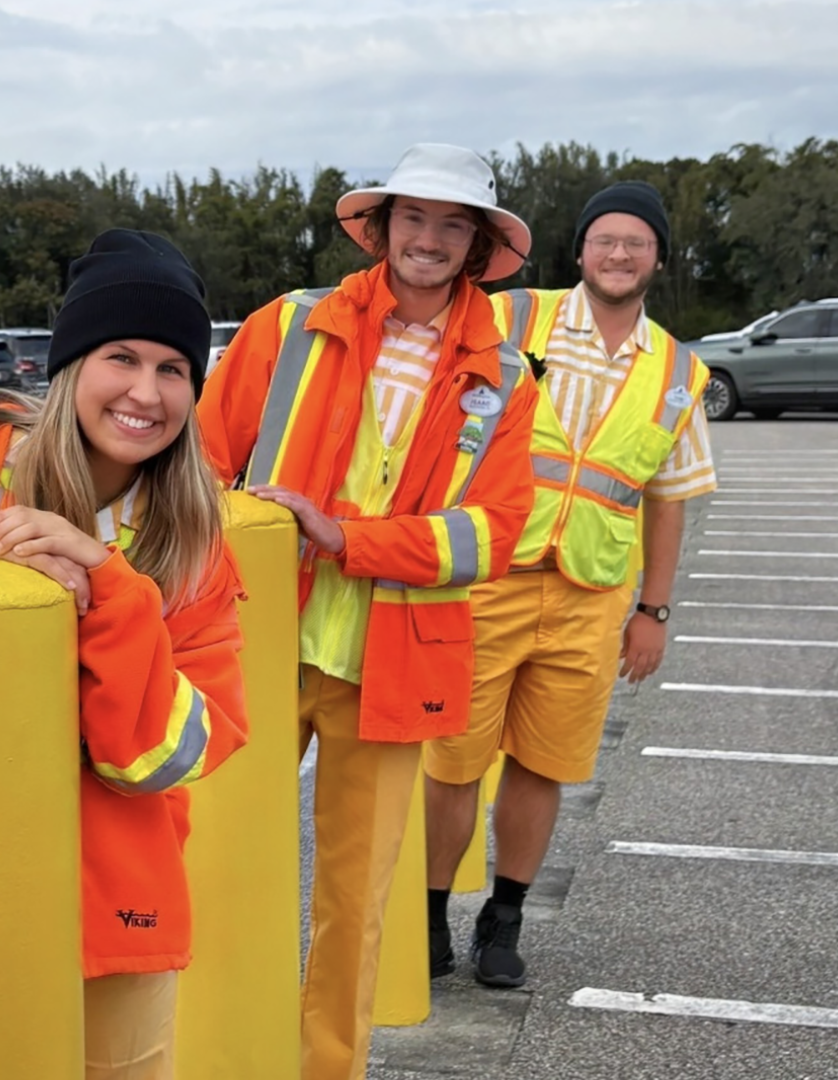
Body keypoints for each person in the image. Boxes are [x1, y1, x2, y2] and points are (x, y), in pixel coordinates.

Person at [0, 229, 248, 1080]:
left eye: (173, 368)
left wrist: (112, 588)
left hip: (113, 908)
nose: (146, 392)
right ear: (72, 363)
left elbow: (163, 756)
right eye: (122, 357)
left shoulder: (197, 548)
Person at [195, 144, 536, 1080]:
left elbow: (491, 537)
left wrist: (348, 538)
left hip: (392, 664)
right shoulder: (290, 326)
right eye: (414, 218)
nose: (429, 239)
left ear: (476, 247)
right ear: (380, 228)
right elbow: (203, 464)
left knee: (357, 903)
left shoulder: (504, 375)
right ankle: (216, 1057)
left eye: (452, 224)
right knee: (216, 867)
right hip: (252, 640)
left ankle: (325, 1070)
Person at [422, 180, 715, 989]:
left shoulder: (680, 370)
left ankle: (502, 921)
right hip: (487, 576)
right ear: (581, 249)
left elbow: (667, 500)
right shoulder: (512, 318)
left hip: (590, 596)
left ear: (658, 257)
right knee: (452, 762)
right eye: (605, 240)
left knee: (544, 764)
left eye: (637, 243)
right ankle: (428, 916)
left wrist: (653, 609)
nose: (619, 255)